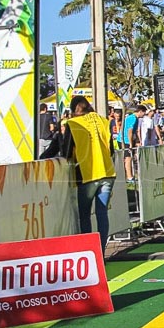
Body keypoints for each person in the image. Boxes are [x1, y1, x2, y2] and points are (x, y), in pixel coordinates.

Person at [61, 96, 116, 253]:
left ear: (73, 109)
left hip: (87, 174)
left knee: (85, 216)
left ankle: (90, 254)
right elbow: (111, 149)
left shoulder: (73, 124)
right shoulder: (103, 120)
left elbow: (65, 152)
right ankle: (101, 252)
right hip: (107, 172)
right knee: (102, 213)